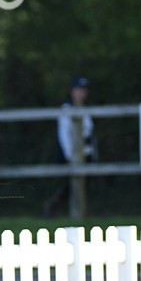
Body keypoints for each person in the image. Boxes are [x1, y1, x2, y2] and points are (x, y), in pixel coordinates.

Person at [43, 76, 96, 217]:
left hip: (86, 152)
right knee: (71, 186)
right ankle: (53, 208)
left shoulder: (86, 109)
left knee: (82, 185)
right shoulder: (67, 109)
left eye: (83, 90)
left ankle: (77, 211)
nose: (81, 93)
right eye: (78, 90)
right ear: (72, 91)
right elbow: (64, 133)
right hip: (73, 154)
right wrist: (69, 154)